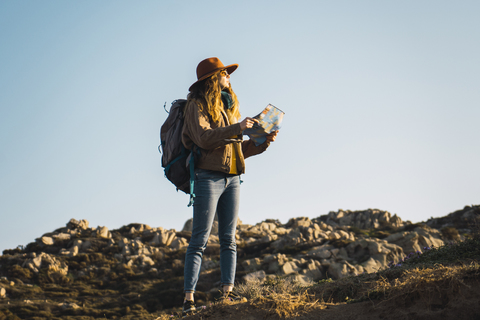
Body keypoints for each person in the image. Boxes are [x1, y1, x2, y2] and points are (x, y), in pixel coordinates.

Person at [181, 57, 278, 315]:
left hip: (233, 177)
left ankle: (228, 294)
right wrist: (237, 127)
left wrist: (262, 141)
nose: (229, 77)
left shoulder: (228, 107)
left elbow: (238, 149)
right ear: (213, 78)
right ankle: (188, 300)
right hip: (208, 177)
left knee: (229, 239)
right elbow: (203, 138)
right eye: (225, 73)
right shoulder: (196, 105)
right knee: (199, 240)